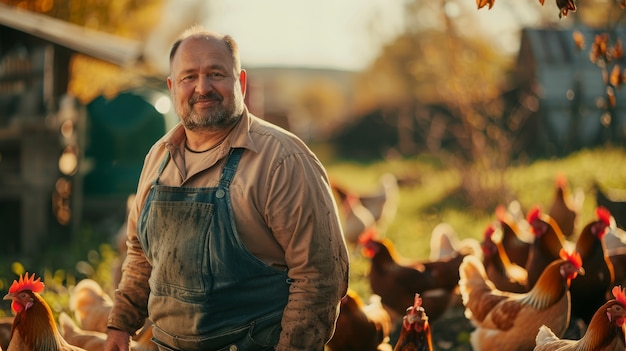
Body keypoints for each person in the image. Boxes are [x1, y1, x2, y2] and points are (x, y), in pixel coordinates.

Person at [104, 25, 350, 351]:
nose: (202, 87)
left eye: (216, 73)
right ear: (171, 87)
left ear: (241, 82)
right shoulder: (158, 157)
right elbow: (140, 256)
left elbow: (319, 279)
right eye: (188, 77)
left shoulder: (282, 159)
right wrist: (120, 325)